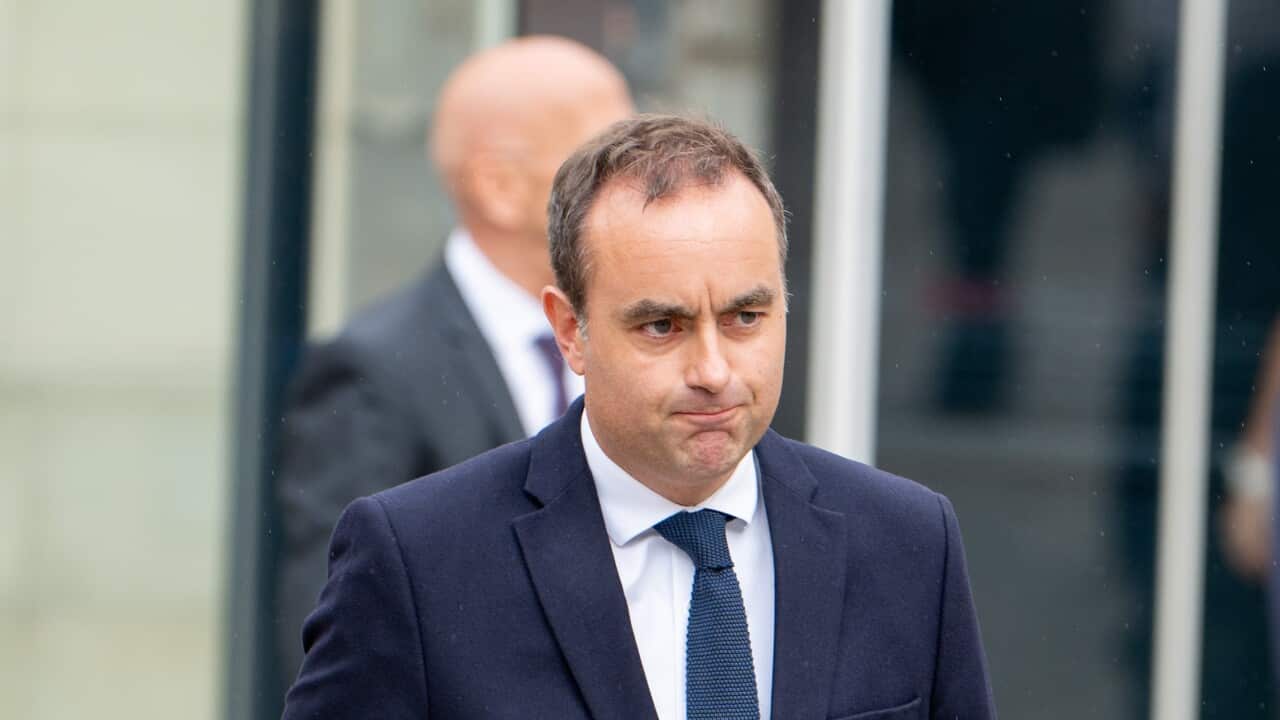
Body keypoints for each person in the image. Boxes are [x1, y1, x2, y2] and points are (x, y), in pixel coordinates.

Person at [282, 115, 996, 719]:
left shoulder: (908, 543)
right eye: (662, 326)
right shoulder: (420, 561)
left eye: (746, 317)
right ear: (571, 331)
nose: (713, 370)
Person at [272, 36, 633, 684]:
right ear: (499, 187)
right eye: (606, 162)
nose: (640, 187)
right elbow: (336, 640)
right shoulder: (375, 369)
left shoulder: (641, 339)